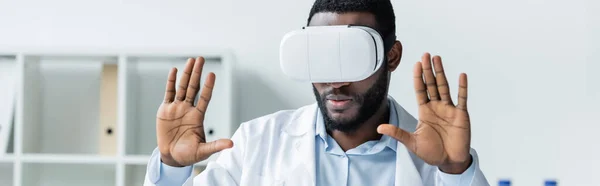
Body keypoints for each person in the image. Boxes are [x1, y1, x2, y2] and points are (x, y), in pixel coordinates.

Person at [143, 0, 489, 185]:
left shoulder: (437, 160)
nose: (335, 82)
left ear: (391, 57)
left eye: (353, 58)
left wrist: (456, 171)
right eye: (323, 58)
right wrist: (172, 169)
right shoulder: (257, 143)